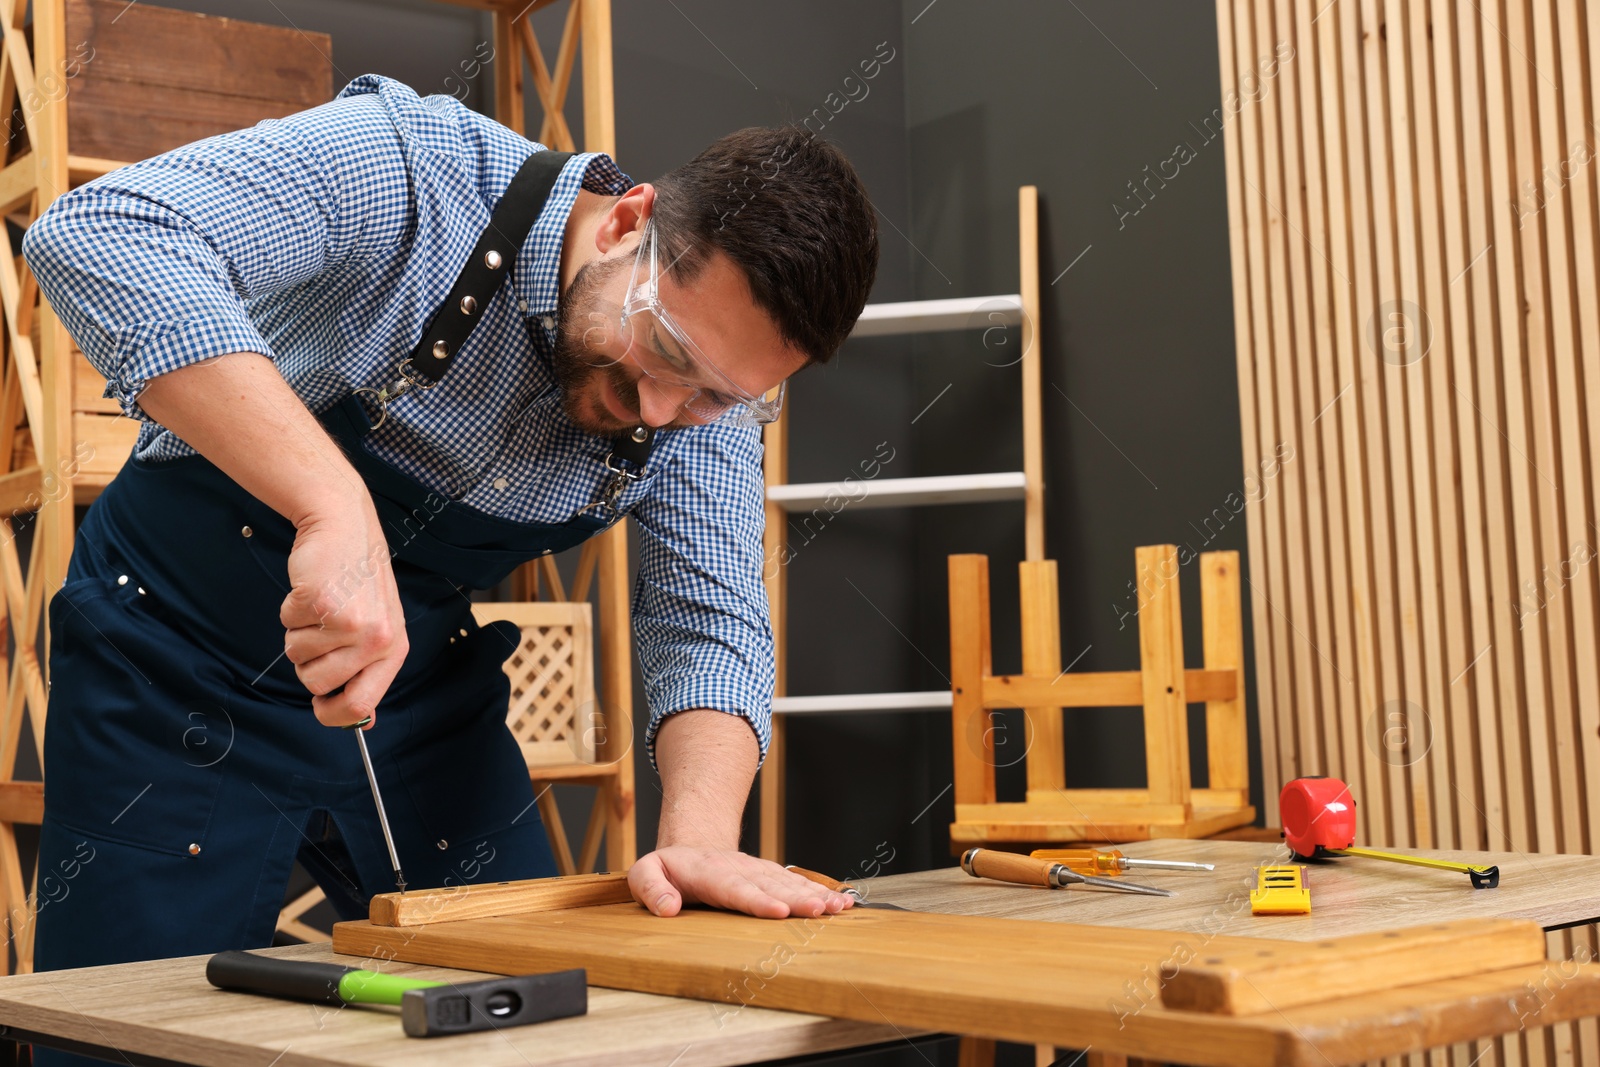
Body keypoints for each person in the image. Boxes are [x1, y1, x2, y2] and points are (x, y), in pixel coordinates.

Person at [21, 73, 880, 984]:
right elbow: (102, 231)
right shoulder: (414, 168)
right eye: (665, 352)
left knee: (527, 1001)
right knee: (137, 1020)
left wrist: (701, 841)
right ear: (630, 221)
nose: (664, 410)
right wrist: (332, 500)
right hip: (170, 659)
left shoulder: (704, 410)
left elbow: (706, 620)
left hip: (414, 694)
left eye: (717, 395)